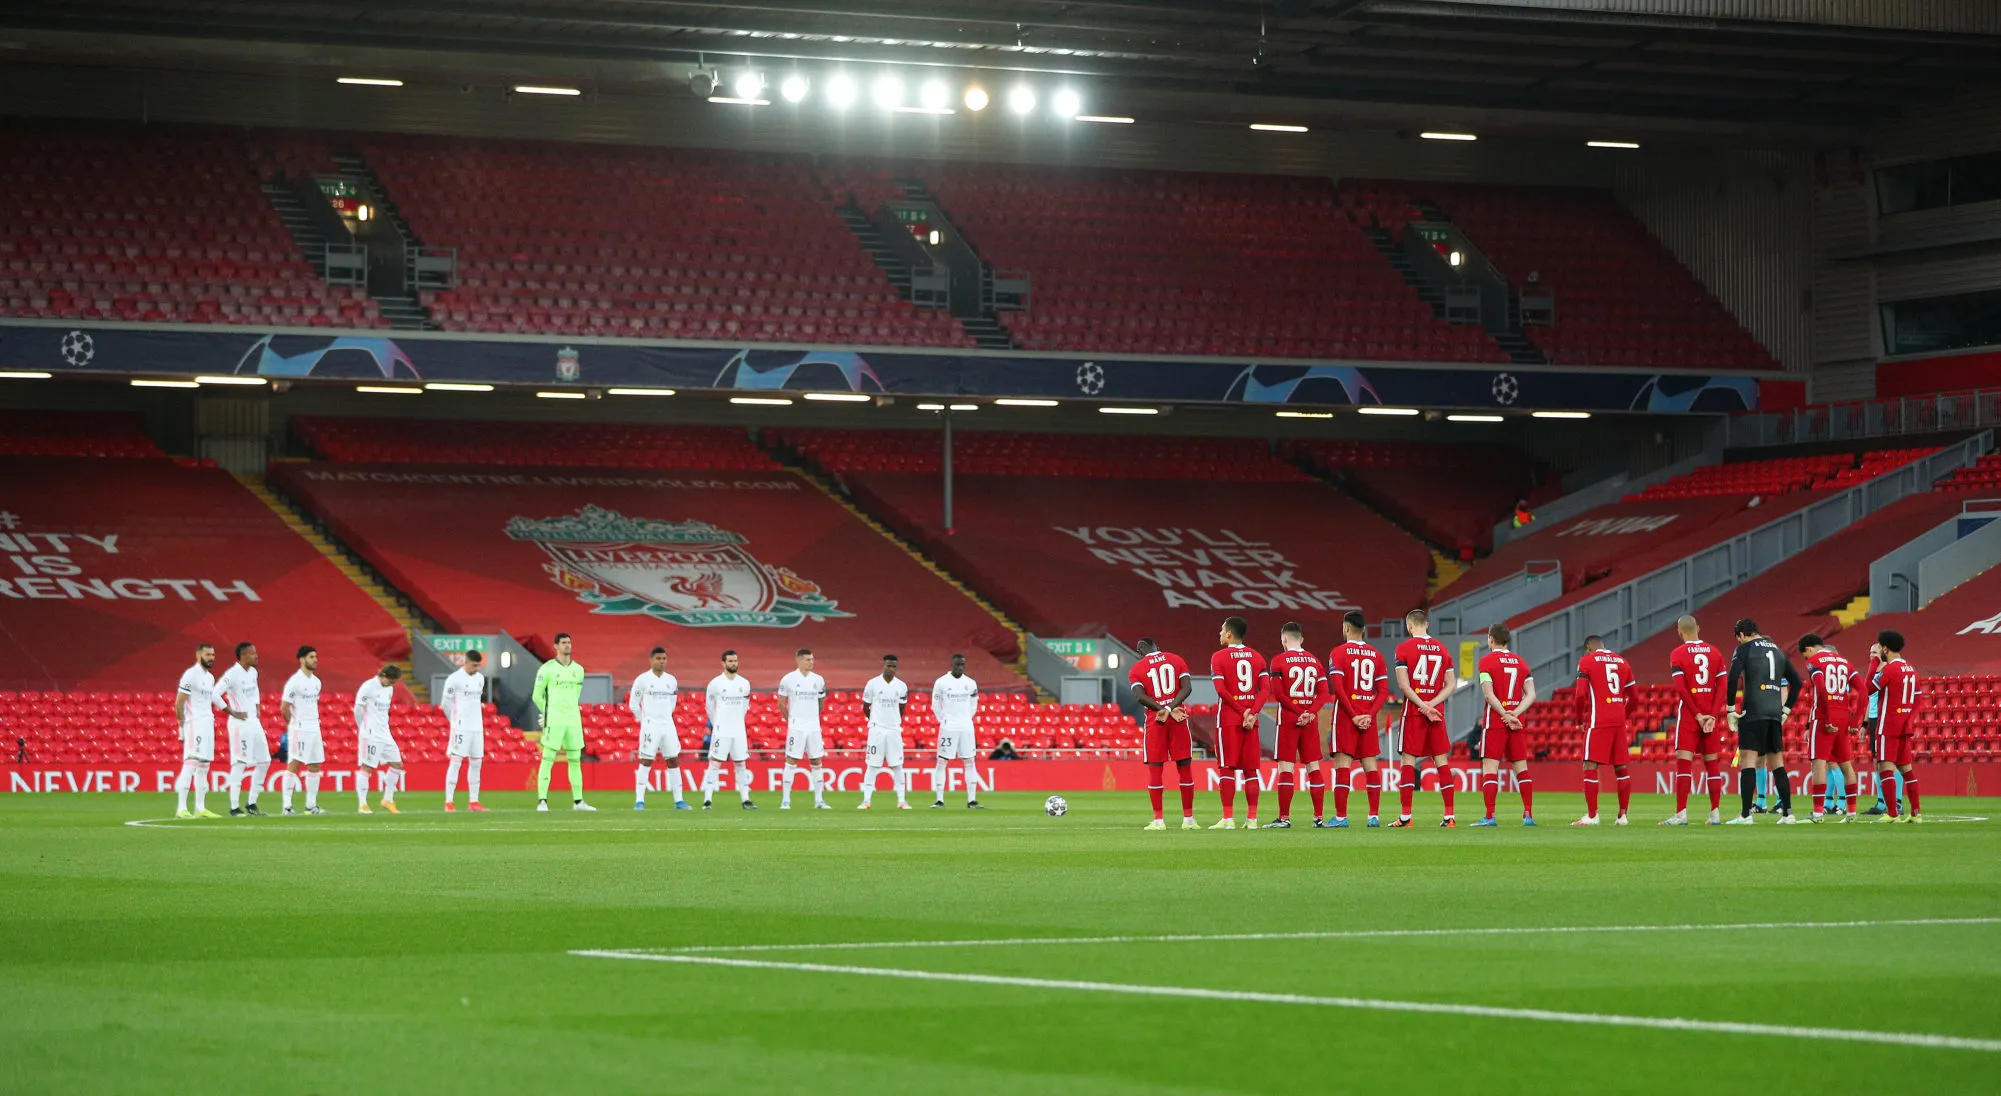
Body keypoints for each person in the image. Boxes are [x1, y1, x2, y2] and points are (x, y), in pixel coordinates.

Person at [1724, 618, 1802, 825]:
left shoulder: (1744, 649)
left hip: (1753, 711)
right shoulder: (1778, 651)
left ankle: (1745, 815)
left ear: (1741, 635)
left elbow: (1732, 678)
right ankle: (1788, 814)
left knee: (1747, 761)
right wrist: (1786, 710)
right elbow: (1797, 682)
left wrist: (1730, 709)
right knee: (1777, 764)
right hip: (1774, 713)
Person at [1391, 608, 1457, 828]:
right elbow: (1451, 685)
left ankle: (1406, 817)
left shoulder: (1403, 648)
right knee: (1441, 761)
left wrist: (1422, 705)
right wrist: (1433, 704)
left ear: (1410, 626)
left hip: (1414, 712)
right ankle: (1449, 817)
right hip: (1436, 713)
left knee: (1408, 761)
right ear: (1427, 625)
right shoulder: (1442, 649)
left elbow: (1404, 685)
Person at [1662, 615, 1729, 825]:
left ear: (1679, 632)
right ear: (1698, 628)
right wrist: (1712, 714)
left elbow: (1681, 688)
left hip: (1691, 716)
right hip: (1710, 715)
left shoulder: (1677, 654)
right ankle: (1715, 813)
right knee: (1712, 763)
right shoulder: (1715, 652)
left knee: (1684, 763)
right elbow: (1723, 687)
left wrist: (1698, 715)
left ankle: (1681, 814)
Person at [1326, 611, 1389, 828]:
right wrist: (1369, 715)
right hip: (1367, 716)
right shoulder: (1376, 655)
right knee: (1370, 765)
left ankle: (1341, 817)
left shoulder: (1338, 653)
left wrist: (1353, 716)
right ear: (1364, 630)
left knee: (1343, 764)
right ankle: (1373, 816)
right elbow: (1383, 691)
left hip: (1346, 716)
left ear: (1345, 628)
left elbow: (1338, 688)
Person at [1209, 615, 1270, 830]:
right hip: (1251, 720)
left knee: (1227, 768)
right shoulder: (1257, 657)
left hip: (1229, 719)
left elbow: (1220, 690)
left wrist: (1241, 711)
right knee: (1251, 770)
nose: (1219, 633)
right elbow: (1265, 690)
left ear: (1229, 633)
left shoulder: (1218, 657)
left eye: (1221, 629)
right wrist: (1252, 713)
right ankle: (1252, 819)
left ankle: (1228, 819)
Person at [1472, 623, 1537, 827]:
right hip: (1517, 722)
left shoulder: (1485, 662)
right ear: (1507, 640)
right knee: (1521, 768)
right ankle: (1528, 815)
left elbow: (1489, 694)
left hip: (1496, 721)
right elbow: (1532, 694)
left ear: (1491, 639)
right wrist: (1515, 714)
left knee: (1490, 768)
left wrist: (1504, 714)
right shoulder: (1521, 663)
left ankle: (1490, 816)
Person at [1129, 637, 1196, 830]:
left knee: (1155, 769)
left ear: (1140, 652)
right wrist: (1171, 708)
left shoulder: (1137, 669)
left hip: (1155, 719)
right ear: (1157, 647)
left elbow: (1140, 696)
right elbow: (1187, 688)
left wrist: (1162, 709)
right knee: (1185, 767)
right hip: (1178, 717)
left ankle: (1158, 821)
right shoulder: (1176, 659)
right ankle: (1189, 820)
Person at [1267, 621, 1328, 829]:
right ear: (1301, 639)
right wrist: (1309, 713)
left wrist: (1297, 712)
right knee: (1313, 766)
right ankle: (1318, 818)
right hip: (1310, 720)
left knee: (1286, 767)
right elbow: (1324, 693)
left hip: (1289, 720)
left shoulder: (1278, 661)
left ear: (1284, 638)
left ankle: (1284, 818)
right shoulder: (1315, 661)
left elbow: (1278, 693)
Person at [1572, 635, 1636, 826]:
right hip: (1618, 720)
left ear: (1588, 649)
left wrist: (1579, 720)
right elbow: (1634, 697)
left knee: (1590, 766)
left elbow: (1580, 695)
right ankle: (1623, 815)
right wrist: (1623, 714)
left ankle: (1592, 816)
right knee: (1621, 768)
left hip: (1598, 719)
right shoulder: (1622, 661)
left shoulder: (1586, 661)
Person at [1797, 635, 1858, 822]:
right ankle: (1851, 812)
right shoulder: (1845, 664)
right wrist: (1856, 720)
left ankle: (1817, 812)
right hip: (1843, 716)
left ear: (1809, 649)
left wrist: (1827, 717)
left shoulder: (1816, 662)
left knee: (1819, 763)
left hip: (1825, 717)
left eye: (1805, 655)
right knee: (1845, 764)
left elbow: (1822, 690)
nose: (1806, 659)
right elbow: (1861, 689)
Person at [532, 632, 593, 812]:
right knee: (548, 758)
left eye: (569, 642)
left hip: (573, 719)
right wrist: (547, 712)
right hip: (555, 720)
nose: (567, 645)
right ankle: (542, 801)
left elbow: (576, 695)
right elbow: (536, 696)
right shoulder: (547, 669)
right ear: (556, 646)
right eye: (563, 643)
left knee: (575, 760)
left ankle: (578, 802)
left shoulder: (579, 670)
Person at [1872, 630, 1923, 823]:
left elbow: (1869, 687)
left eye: (1879, 647)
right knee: (1906, 769)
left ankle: (1892, 813)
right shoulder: (1912, 669)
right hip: (1904, 727)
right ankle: (1916, 814)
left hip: (1888, 725)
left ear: (1885, 648)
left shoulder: (1890, 670)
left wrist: (1875, 663)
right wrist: (1909, 721)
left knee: (1885, 767)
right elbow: (1918, 700)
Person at [630, 647, 688, 810]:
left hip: (668, 725)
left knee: (673, 760)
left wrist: (665, 717)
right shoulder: (642, 680)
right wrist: (646, 720)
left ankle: (679, 800)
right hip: (651, 726)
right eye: (659, 659)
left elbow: (673, 702)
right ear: (651, 660)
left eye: (664, 659)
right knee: (646, 760)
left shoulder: (671, 680)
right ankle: (639, 800)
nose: (662, 662)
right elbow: (634, 704)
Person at [217, 642, 270, 817]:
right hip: (239, 723)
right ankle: (234, 807)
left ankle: (252, 803)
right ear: (243, 656)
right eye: (252, 653)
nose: (256, 656)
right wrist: (231, 712)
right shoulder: (231, 674)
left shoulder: (253, 672)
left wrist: (257, 712)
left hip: (253, 721)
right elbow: (214, 694)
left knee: (264, 760)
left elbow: (254, 694)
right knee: (240, 763)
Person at [776, 648, 830, 810]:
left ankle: (819, 800)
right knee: (791, 760)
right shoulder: (788, 679)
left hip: (813, 727)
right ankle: (786, 801)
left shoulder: (819, 680)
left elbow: (821, 701)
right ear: (798, 661)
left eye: (812, 659)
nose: (811, 662)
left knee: (817, 761)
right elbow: (781, 702)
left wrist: (814, 717)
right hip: (796, 727)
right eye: (807, 659)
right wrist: (790, 720)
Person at [702, 649, 757, 810]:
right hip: (721, 730)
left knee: (741, 764)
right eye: (730, 661)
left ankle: (745, 800)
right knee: (715, 764)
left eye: (735, 661)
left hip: (738, 730)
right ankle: (707, 800)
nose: (733, 664)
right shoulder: (715, 683)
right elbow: (709, 707)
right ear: (723, 663)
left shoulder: (744, 683)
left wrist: (737, 722)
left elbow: (745, 707)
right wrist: (718, 724)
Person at [172, 642, 220, 819]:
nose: (211, 658)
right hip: (195, 724)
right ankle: (182, 808)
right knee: (190, 763)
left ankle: (200, 808)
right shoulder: (190, 675)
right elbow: (179, 702)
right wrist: (182, 722)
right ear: (198, 655)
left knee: (204, 766)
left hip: (207, 724)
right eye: (208, 655)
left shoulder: (210, 678)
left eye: (213, 655)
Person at [930, 653, 984, 809]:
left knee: (970, 761)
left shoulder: (970, 683)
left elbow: (974, 704)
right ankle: (939, 800)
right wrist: (945, 720)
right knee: (942, 761)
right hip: (948, 727)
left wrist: (967, 718)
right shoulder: (941, 682)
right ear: (952, 664)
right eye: (957, 664)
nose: (960, 667)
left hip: (966, 727)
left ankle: (972, 800)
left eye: (962, 664)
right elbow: (935, 705)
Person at [279, 646, 326, 816]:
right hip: (300, 727)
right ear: (302, 659)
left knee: (314, 765)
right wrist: (292, 724)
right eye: (311, 657)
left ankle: (310, 806)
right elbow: (284, 707)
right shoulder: (294, 682)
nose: (315, 659)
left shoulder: (316, 682)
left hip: (314, 726)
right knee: (295, 763)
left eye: (316, 656)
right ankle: (286, 807)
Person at [859, 654, 910, 809]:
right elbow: (865, 706)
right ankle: (866, 800)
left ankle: (902, 801)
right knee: (872, 765)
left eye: (894, 666)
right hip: (877, 730)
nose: (891, 669)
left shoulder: (901, 686)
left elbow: (902, 707)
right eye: (889, 666)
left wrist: (894, 721)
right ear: (884, 665)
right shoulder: (872, 684)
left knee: (897, 765)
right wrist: (874, 721)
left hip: (894, 730)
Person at [353, 664, 405, 814]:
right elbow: (358, 708)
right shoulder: (368, 687)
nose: (391, 684)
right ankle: (362, 804)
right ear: (383, 675)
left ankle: (388, 799)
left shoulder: (389, 688)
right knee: (367, 767)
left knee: (397, 764)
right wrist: (362, 727)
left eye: (394, 682)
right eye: (390, 680)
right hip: (370, 733)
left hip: (385, 733)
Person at [442, 649, 488, 812]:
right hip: (461, 727)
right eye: (474, 665)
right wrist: (454, 721)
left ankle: (474, 802)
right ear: (466, 662)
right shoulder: (454, 679)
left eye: (478, 666)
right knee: (456, 762)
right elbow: (445, 704)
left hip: (477, 727)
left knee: (477, 762)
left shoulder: (480, 679)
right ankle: (449, 802)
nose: (477, 669)